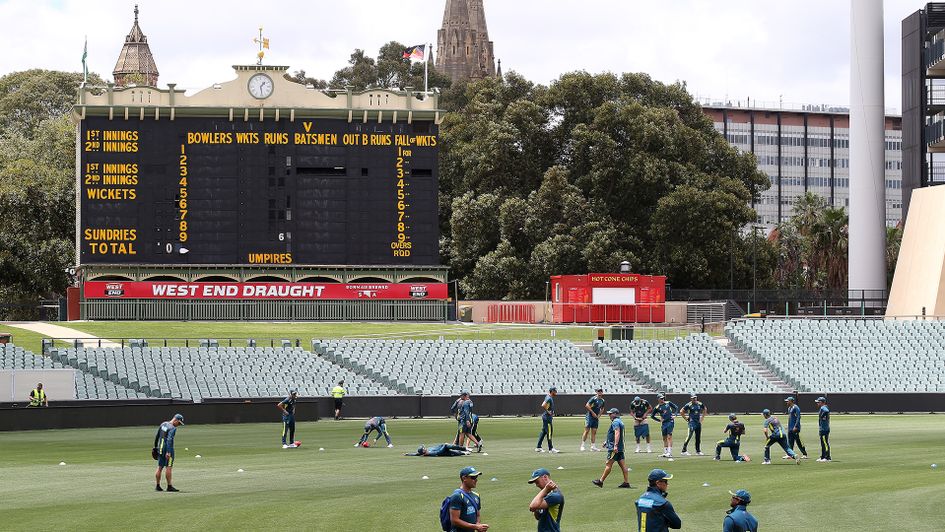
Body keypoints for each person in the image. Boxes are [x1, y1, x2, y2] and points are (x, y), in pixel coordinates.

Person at [592, 408, 632, 488]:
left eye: (611, 413)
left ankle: (601, 481)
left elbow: (617, 433)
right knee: (623, 465)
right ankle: (626, 482)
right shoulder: (620, 421)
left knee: (608, 464)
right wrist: (607, 441)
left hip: (614, 448)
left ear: (615, 414)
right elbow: (614, 434)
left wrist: (615, 445)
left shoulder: (615, 422)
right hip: (620, 447)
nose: (609, 415)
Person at [447, 466, 489, 531]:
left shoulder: (476, 496)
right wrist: (476, 527)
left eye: (476, 477)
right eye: (473, 477)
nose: (476, 480)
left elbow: (477, 515)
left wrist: (478, 525)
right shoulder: (457, 496)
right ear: (464, 478)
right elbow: (454, 520)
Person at [153, 413, 184, 492]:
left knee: (160, 467)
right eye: (179, 423)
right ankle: (169, 486)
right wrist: (169, 452)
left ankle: (157, 486)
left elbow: (157, 436)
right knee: (168, 467)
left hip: (160, 448)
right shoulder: (173, 428)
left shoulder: (163, 424)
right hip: (167, 449)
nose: (178, 425)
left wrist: (155, 447)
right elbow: (169, 440)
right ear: (176, 420)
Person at [650, 393, 678, 459]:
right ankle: (665, 452)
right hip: (664, 423)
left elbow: (676, 407)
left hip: (670, 421)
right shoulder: (657, 407)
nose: (662, 399)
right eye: (661, 398)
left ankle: (669, 452)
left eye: (663, 398)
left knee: (669, 436)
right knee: (664, 437)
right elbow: (652, 416)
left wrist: (675, 415)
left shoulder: (668, 403)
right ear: (658, 399)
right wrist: (659, 420)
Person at [535, 387, 558, 453]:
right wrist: (548, 412)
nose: (556, 392)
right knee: (549, 433)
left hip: (546, 417)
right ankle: (551, 449)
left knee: (544, 432)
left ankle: (538, 447)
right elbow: (543, 405)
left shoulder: (548, 397)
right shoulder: (549, 398)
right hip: (547, 418)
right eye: (555, 391)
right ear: (552, 391)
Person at [815, 396, 832, 462]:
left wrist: (822, 416)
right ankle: (823, 456)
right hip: (823, 428)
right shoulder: (824, 407)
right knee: (823, 443)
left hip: (824, 428)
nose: (817, 403)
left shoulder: (823, 407)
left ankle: (827, 457)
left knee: (825, 443)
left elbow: (826, 411)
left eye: (818, 402)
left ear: (821, 402)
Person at [405, 443, 470, 457]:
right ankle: (465, 450)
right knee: (455, 452)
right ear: (423, 452)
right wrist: (444, 445)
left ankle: (465, 449)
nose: (425, 448)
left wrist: (408, 454)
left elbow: (416, 454)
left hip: (443, 448)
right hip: (444, 451)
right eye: (424, 448)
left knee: (455, 451)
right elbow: (439, 452)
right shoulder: (430, 453)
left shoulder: (423, 453)